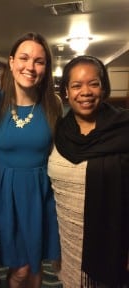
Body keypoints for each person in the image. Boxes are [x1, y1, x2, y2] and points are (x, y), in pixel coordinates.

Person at [48, 55, 129, 287]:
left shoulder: (123, 129)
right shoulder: (60, 131)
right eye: (76, 85)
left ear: (103, 88)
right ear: (65, 91)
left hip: (111, 243)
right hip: (68, 240)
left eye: (93, 83)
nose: (86, 91)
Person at [0, 32, 62, 288]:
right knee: (19, 270)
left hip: (40, 198)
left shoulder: (53, 105)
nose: (30, 67)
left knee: (35, 268)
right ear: (11, 62)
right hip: (4, 197)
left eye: (39, 61)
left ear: (46, 68)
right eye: (24, 58)